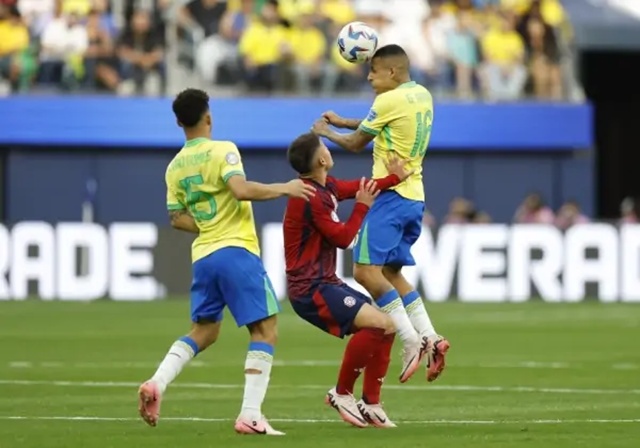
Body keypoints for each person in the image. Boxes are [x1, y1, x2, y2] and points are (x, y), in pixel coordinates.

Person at [137, 88, 315, 436]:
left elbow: (176, 218)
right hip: (236, 249)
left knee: (205, 331)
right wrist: (285, 188)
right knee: (265, 330)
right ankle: (250, 415)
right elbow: (241, 190)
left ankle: (157, 382)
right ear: (209, 117)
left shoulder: (174, 167)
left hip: (204, 255)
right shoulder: (223, 150)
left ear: (178, 122)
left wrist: (208, 223)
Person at [311, 44, 450, 384]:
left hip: (389, 197)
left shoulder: (386, 101)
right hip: (414, 197)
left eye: (373, 70)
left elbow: (359, 143)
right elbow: (381, 123)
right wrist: (345, 121)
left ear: (391, 72)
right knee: (390, 273)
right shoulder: (421, 94)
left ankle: (410, 340)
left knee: (363, 271)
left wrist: (327, 133)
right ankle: (431, 336)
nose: (369, 75)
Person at [284, 132, 413, 428]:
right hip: (310, 289)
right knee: (380, 323)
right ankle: (341, 393)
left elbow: (360, 187)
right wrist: (362, 207)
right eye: (325, 148)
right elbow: (343, 238)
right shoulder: (306, 197)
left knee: (387, 325)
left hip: (324, 282)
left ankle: (371, 403)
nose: (329, 151)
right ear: (320, 159)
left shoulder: (324, 186)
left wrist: (394, 178)